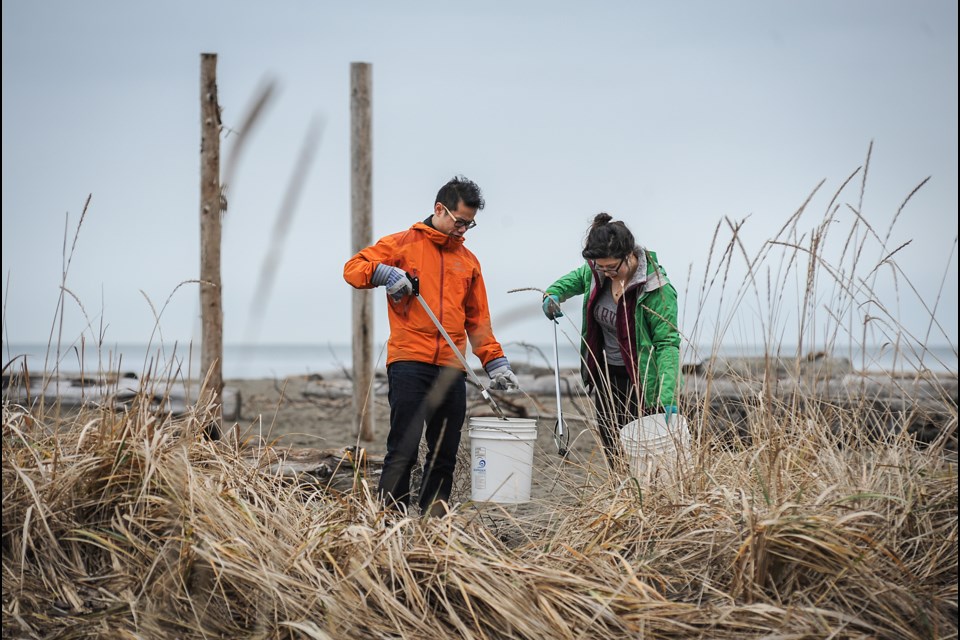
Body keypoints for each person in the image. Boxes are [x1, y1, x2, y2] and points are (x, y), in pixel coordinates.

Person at [343, 175, 519, 516]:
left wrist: (496, 363)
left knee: (444, 452)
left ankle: (434, 526)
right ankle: (390, 523)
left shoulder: (468, 261)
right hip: (409, 361)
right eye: (460, 222)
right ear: (440, 209)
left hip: (452, 366)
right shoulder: (401, 244)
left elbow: (478, 320)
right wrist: (385, 274)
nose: (464, 230)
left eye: (470, 224)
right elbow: (353, 269)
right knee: (404, 448)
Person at [541, 213, 680, 474]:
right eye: (599, 266)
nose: (604, 272)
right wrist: (553, 295)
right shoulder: (596, 272)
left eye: (611, 268)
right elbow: (569, 282)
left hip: (642, 381)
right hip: (605, 376)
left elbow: (667, 344)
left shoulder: (656, 289)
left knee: (643, 452)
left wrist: (668, 395)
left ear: (629, 256)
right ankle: (621, 499)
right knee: (613, 448)